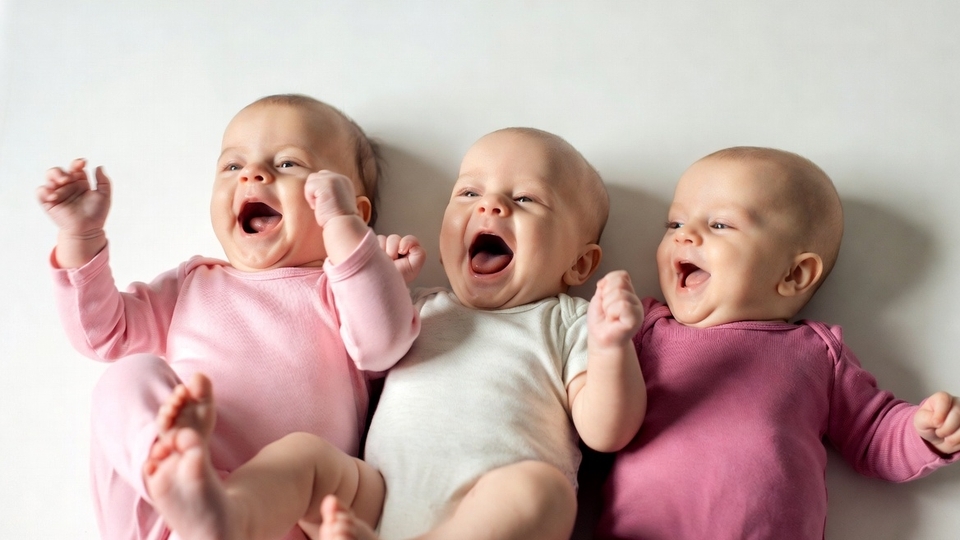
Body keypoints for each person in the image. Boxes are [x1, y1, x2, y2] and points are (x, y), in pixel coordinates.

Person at [140, 126, 648, 540]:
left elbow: (607, 431)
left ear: (580, 263)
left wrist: (611, 347)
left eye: (525, 198)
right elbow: (367, 343)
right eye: (469, 193)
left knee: (542, 491)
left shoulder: (570, 321)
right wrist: (382, 278)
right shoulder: (422, 306)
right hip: (375, 503)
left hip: (485, 516)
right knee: (305, 456)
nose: (490, 207)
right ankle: (227, 516)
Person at [35, 94, 420, 540]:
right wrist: (82, 238)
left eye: (289, 163)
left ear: (355, 208)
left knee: (306, 462)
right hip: (168, 522)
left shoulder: (342, 292)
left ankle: (212, 509)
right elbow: (103, 334)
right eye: (232, 166)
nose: (253, 174)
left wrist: (350, 240)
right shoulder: (192, 285)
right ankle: (181, 482)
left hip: (279, 517)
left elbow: (383, 344)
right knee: (126, 377)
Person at [594, 146, 960, 540]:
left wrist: (923, 433)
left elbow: (872, 435)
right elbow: (589, 415)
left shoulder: (817, 353)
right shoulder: (641, 330)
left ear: (794, 274)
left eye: (719, 225)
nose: (685, 234)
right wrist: (608, 342)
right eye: (675, 223)